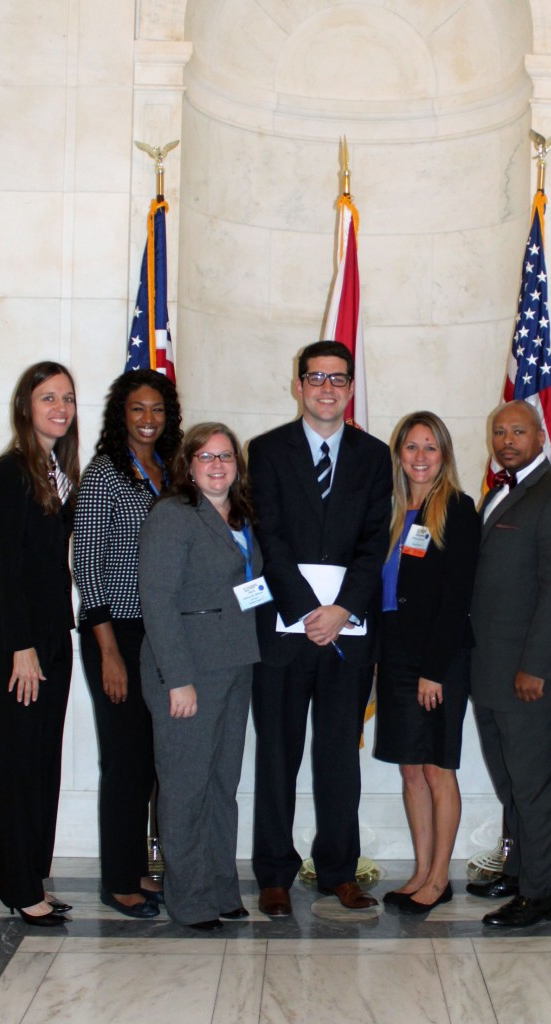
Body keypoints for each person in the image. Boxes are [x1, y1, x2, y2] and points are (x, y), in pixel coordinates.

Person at [249, 340, 392, 915]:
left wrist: (343, 610)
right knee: (277, 755)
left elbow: (373, 540)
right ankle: (275, 874)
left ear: (351, 388)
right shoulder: (264, 451)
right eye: (316, 378)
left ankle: (338, 869)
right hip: (284, 631)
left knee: (339, 757)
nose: (326, 388)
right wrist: (310, 608)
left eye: (338, 379)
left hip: (347, 637)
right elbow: (270, 537)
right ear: (298, 385)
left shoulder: (374, 455)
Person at [467, 401, 551, 928]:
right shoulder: (503, 491)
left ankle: (541, 895)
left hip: (528, 675)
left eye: (518, 430)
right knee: (511, 782)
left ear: (541, 434)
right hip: (490, 668)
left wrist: (536, 668)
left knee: (536, 784)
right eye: (498, 431)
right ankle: (520, 873)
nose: (507, 439)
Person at [138, 423, 262, 930]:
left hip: (236, 665)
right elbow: (158, 601)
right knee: (186, 787)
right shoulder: (172, 515)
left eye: (226, 457)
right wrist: (178, 678)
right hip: (188, 670)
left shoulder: (242, 516)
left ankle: (220, 888)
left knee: (221, 785)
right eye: (206, 457)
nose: (217, 465)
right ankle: (188, 899)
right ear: (187, 465)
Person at [73, 369, 183, 918]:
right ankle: (118, 880)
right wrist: (110, 652)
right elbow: (87, 568)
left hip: (163, 633)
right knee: (126, 759)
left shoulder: (170, 471)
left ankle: (139, 867)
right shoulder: (104, 475)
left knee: (154, 759)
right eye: (138, 409)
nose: (148, 419)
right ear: (122, 414)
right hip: (115, 631)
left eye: (158, 409)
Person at [0, 361, 80, 926]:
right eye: (47, 398)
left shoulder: (60, 472)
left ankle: (33, 875)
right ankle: (17, 886)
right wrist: (20, 646)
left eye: (67, 398)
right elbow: (8, 567)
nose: (60, 407)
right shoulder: (11, 471)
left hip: (52, 633)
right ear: (26, 407)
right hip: (18, 638)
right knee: (19, 760)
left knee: (44, 759)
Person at [375, 412, 480, 914]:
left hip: (439, 656)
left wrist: (433, 668)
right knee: (410, 768)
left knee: (438, 767)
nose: (420, 457)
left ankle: (440, 878)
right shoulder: (392, 511)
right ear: (399, 454)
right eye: (411, 447)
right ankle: (420, 869)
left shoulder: (457, 509)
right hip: (395, 649)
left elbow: (457, 596)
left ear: (444, 455)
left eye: (430, 448)